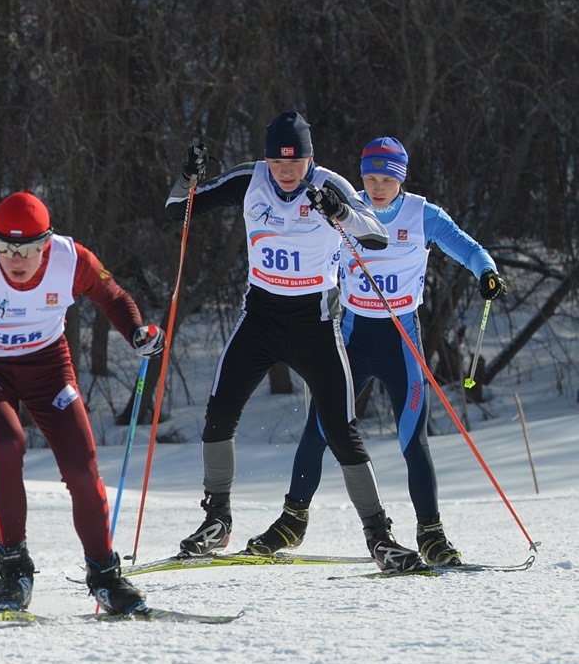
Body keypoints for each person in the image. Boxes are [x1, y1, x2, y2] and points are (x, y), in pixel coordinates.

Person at [164, 110, 424, 571]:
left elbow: (377, 237)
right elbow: (176, 211)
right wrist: (188, 177)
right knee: (219, 412)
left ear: (310, 158)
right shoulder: (252, 180)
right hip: (260, 317)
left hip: (315, 322)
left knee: (342, 430)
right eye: (278, 161)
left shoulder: (329, 184)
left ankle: (380, 538)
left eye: (296, 161)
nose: (286, 171)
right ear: (267, 158)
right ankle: (217, 521)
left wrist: (340, 211)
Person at [0, 191, 164, 614]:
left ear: (47, 243)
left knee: (81, 463)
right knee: (7, 444)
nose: (14, 260)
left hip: (48, 366)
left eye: (26, 249)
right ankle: (14, 569)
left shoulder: (72, 260)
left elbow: (113, 297)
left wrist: (135, 333)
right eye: (4, 248)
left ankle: (104, 575)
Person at [246, 137, 508, 566]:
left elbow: (468, 248)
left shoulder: (422, 214)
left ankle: (431, 534)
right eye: (369, 177)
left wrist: (488, 272)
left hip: (400, 338)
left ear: (401, 179)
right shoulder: (345, 206)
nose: (377, 187)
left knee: (412, 439)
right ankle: (292, 521)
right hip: (350, 335)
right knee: (320, 429)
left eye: (386, 179)